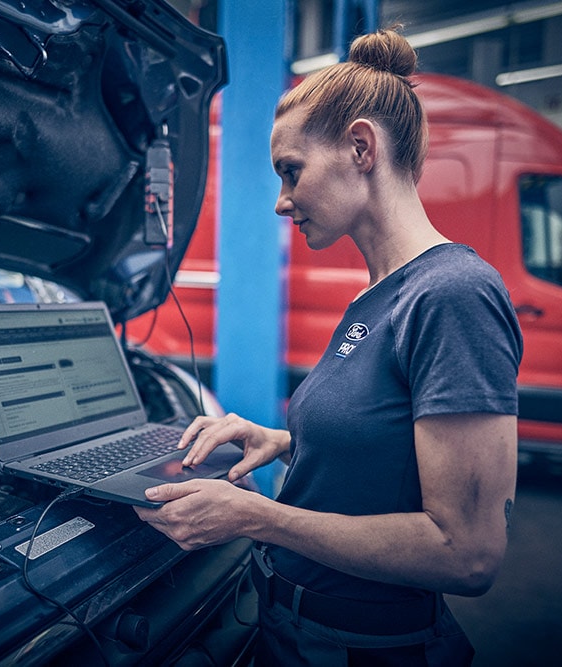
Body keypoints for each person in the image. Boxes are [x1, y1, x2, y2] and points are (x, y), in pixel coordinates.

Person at [135, 26, 523, 666]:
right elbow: (393, 444)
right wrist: (286, 441)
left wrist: (255, 517)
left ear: (361, 147)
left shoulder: (451, 294)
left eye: (292, 172)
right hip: (296, 632)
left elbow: (468, 552)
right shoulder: (380, 295)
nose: (283, 202)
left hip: (366, 650)